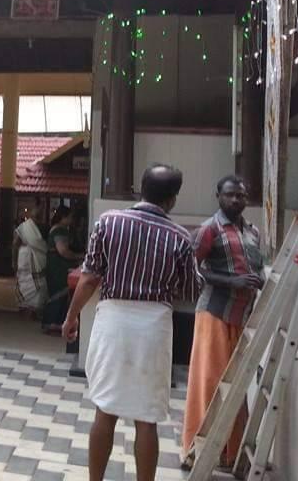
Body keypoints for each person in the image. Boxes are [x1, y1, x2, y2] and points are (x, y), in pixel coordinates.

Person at [63, 164, 202, 481]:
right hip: (153, 327)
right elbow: (191, 289)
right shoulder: (180, 237)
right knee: (146, 417)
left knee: (105, 409)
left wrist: (71, 317)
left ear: (141, 188)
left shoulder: (108, 222)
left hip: (113, 320)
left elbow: (89, 279)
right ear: (172, 200)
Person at [181, 175, 264, 470]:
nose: (236, 201)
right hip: (214, 313)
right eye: (230, 195)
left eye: (241, 196)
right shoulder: (209, 229)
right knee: (209, 384)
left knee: (236, 388)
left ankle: (229, 453)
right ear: (218, 195)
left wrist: (259, 280)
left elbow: (256, 268)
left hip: (243, 317)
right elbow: (192, 270)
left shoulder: (253, 231)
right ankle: (195, 451)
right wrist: (232, 280)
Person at [41, 206, 85, 333]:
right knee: (59, 293)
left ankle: (52, 322)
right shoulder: (60, 231)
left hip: (55, 265)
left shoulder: (56, 229)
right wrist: (79, 256)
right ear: (63, 217)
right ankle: (53, 322)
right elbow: (63, 251)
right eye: (70, 217)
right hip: (59, 267)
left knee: (57, 293)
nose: (71, 220)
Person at [14, 207, 48, 315]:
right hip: (26, 257)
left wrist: (14, 260)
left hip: (29, 256)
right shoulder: (25, 227)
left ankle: (31, 307)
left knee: (37, 281)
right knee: (27, 280)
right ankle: (27, 306)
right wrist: (13, 261)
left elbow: (15, 244)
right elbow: (15, 243)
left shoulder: (38, 227)